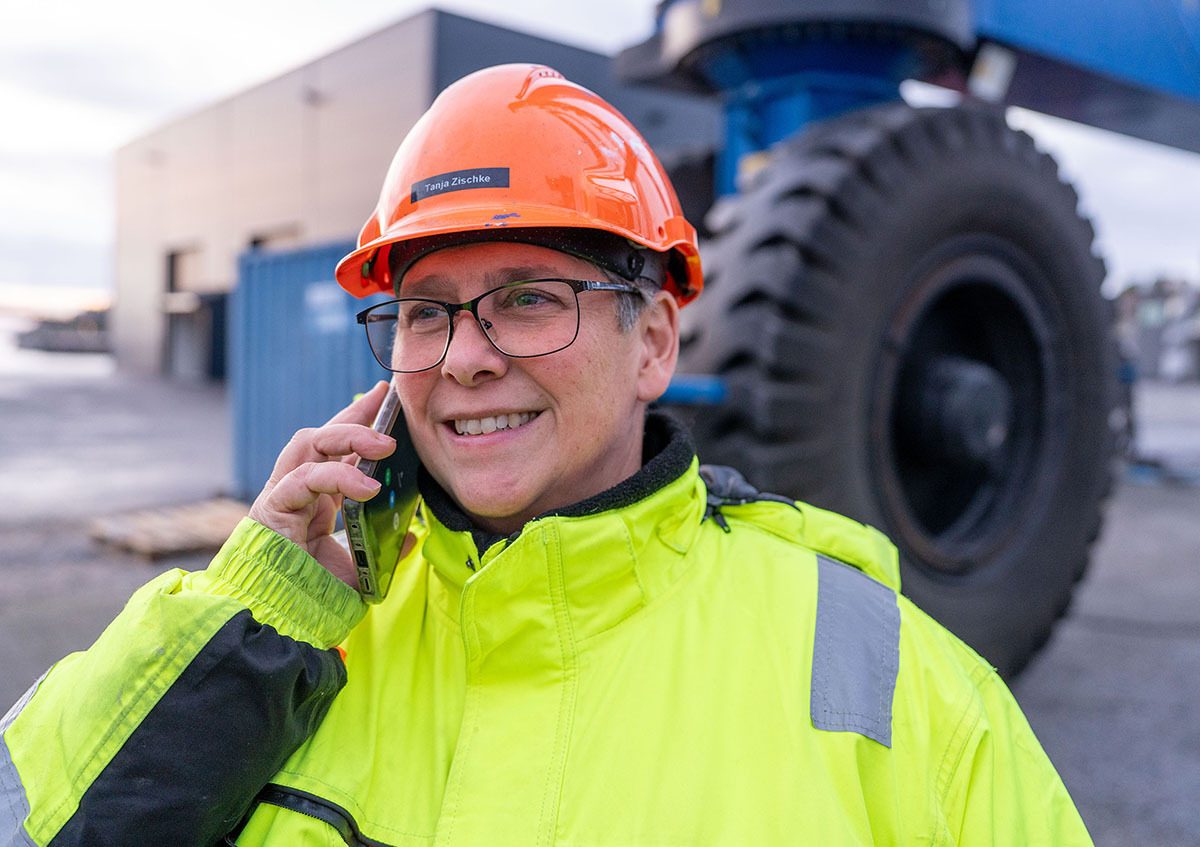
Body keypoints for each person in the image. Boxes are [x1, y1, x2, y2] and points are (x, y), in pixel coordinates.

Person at [1, 64, 1091, 846]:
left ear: (654, 339)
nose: (464, 358)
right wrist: (247, 622)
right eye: (426, 313)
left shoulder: (899, 684)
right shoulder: (287, 635)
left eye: (528, 300)